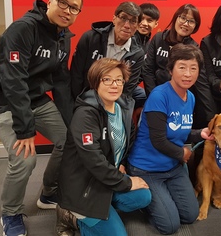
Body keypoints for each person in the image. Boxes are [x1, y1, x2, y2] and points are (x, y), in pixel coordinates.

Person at [0, 0, 83, 236]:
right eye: (63, 3)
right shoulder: (23, 29)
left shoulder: (63, 38)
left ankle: (49, 193)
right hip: (4, 101)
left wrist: (72, 123)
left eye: (74, 8)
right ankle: (11, 212)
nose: (67, 11)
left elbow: (61, 82)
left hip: (36, 99)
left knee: (68, 140)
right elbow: (13, 82)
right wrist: (25, 129)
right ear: (49, 1)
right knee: (25, 160)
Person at [57, 58, 151, 236]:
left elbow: (127, 142)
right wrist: (127, 182)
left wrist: (121, 162)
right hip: (84, 187)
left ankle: (103, 211)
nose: (114, 85)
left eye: (118, 79)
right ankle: (70, 216)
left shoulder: (123, 106)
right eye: (106, 79)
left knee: (143, 196)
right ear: (95, 82)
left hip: (105, 180)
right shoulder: (85, 115)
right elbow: (94, 161)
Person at [128, 44, 210, 235]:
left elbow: (180, 130)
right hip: (147, 168)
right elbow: (158, 140)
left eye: (193, 68)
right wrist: (182, 153)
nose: (188, 73)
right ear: (171, 69)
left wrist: (200, 134)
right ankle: (145, 199)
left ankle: (162, 195)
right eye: (182, 67)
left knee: (190, 215)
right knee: (169, 225)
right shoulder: (159, 96)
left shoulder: (190, 97)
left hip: (173, 167)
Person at [142, 3, 216, 129]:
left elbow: (201, 81)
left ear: (195, 27)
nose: (186, 24)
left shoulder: (193, 48)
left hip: (180, 98)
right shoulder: (159, 38)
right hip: (157, 95)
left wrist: (212, 116)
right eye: (183, 18)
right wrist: (154, 96)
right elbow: (148, 70)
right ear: (176, 18)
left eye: (191, 21)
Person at [70, 1, 144, 101]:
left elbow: (127, 89)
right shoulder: (90, 38)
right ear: (114, 19)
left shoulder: (137, 54)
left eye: (133, 21)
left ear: (137, 26)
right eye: (123, 18)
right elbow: (76, 74)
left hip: (114, 102)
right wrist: (80, 101)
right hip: (84, 97)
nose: (127, 25)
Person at [132, 2, 160, 110]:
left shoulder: (150, 44)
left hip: (134, 87)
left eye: (149, 20)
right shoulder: (128, 39)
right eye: (141, 19)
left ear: (156, 24)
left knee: (154, 97)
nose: (144, 23)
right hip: (121, 87)